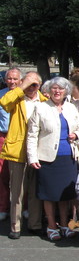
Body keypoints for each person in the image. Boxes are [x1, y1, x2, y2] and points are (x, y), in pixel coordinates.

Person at [27, 76, 79, 241]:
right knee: (49, 194)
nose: (57, 91)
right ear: (49, 91)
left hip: (68, 157)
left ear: (66, 91)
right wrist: (32, 157)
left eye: (61, 89)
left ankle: (64, 224)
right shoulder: (40, 108)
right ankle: (51, 225)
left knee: (65, 195)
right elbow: (32, 134)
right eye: (54, 88)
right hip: (47, 158)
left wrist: (76, 134)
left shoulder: (71, 108)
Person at [0, 71, 46, 239]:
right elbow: (4, 102)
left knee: (35, 190)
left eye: (34, 84)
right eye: (29, 84)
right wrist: (22, 86)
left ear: (39, 86)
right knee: (17, 190)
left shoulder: (44, 101)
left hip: (37, 151)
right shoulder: (17, 98)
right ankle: (15, 226)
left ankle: (34, 224)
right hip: (18, 150)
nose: (31, 88)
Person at [0, 67, 22, 221]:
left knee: (22, 175)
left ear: (20, 80)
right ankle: (3, 207)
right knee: (2, 173)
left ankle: (24, 207)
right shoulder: (1, 95)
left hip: (20, 137)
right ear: (5, 80)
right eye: (10, 78)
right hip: (3, 136)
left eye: (15, 79)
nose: (12, 82)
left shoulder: (25, 95)